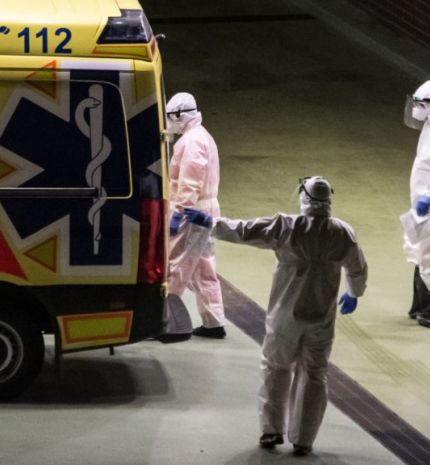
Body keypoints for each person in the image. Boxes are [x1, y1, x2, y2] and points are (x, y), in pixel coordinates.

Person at [184, 176, 368, 456]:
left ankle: (271, 430)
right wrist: (354, 292)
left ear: (304, 197)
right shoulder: (343, 233)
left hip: (285, 316)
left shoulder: (287, 226)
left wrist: (211, 223)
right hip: (321, 318)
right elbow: (357, 268)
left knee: (276, 368)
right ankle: (304, 439)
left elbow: (246, 230)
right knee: (314, 375)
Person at [166, 92, 226, 339]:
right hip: (204, 209)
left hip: (192, 211)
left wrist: (178, 213)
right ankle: (214, 322)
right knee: (203, 267)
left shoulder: (191, 141)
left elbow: (190, 182)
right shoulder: (202, 136)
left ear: (179, 115)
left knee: (175, 265)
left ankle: (167, 322)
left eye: (169, 117)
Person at [401, 81, 430, 328]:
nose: (416, 111)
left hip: (427, 203)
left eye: (421, 105)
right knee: (419, 251)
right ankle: (421, 304)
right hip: (421, 205)